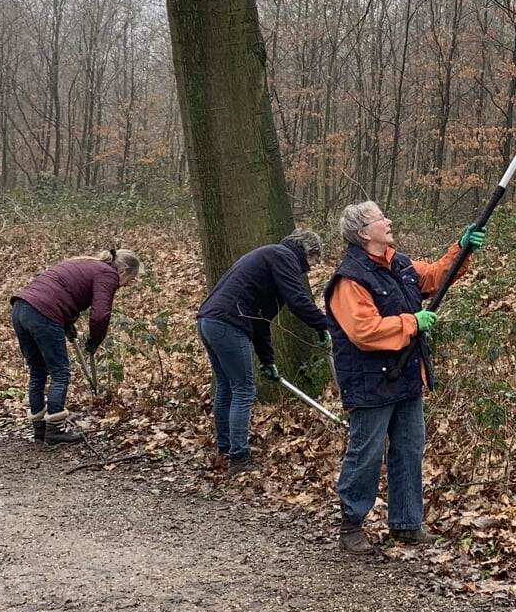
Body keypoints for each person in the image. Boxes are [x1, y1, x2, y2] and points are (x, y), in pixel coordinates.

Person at [324, 201, 485, 555]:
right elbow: (363, 331)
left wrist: (461, 249)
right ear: (364, 233)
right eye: (381, 218)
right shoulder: (350, 279)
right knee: (366, 454)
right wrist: (413, 322)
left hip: (406, 374)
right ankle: (351, 526)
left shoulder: (398, 263)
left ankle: (407, 524)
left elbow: (433, 276)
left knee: (409, 449)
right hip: (369, 382)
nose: (389, 221)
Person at [196, 228, 334, 473]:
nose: (309, 269)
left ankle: (225, 448)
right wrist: (325, 324)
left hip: (209, 321)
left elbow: (261, 320)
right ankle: (239, 458)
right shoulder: (283, 257)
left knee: (227, 386)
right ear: (307, 251)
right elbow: (298, 301)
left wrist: (267, 360)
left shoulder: (270, 258)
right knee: (243, 388)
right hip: (229, 323)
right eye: (313, 261)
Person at [11, 247, 143, 444]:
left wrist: (66, 323)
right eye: (129, 280)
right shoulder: (107, 273)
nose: (125, 285)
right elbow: (100, 315)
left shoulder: (84, 262)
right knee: (60, 372)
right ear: (123, 271)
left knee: (37, 371)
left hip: (21, 309)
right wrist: (95, 340)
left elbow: (63, 290)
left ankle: (39, 428)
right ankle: (55, 428)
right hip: (43, 313)